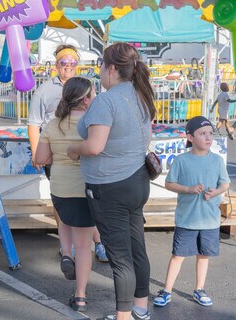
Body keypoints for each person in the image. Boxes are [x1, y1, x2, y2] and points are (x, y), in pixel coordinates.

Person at [67, 42, 156, 320]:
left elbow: (94, 146)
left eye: (101, 66)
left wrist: (74, 149)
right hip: (136, 180)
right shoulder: (141, 94)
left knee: (120, 257)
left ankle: (123, 315)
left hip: (110, 186)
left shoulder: (107, 100)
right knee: (136, 247)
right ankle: (140, 308)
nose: (100, 71)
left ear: (112, 68)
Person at [27, 44, 108, 262]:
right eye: (64, 62)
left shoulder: (85, 87)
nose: (69, 66)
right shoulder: (44, 90)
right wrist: (38, 154)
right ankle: (68, 248)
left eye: (73, 62)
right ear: (56, 64)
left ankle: (95, 244)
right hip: (57, 153)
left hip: (81, 158)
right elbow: (34, 123)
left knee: (82, 201)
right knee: (63, 202)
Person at [152, 116, 231, 309]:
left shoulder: (217, 161)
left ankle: (199, 289)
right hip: (187, 220)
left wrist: (216, 192)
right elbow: (169, 183)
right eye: (202, 134)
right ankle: (167, 290)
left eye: (210, 133)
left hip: (210, 221)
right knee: (178, 255)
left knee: (204, 256)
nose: (208, 137)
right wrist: (188, 189)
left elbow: (225, 183)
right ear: (190, 137)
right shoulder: (181, 160)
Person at [35, 77, 96, 312]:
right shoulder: (93, 125)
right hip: (85, 187)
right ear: (85, 99)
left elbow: (41, 159)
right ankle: (80, 296)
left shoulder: (53, 124)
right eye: (92, 95)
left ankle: (65, 252)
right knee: (85, 246)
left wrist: (56, 156)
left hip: (59, 187)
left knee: (64, 220)